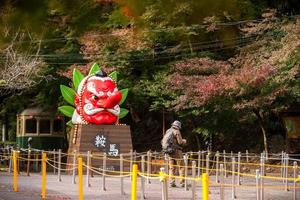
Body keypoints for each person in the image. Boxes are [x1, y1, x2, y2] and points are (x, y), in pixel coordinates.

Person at [161, 120, 186, 187]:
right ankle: (182, 182)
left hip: (169, 151)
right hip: (177, 152)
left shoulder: (168, 131)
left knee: (171, 168)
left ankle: (172, 182)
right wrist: (184, 141)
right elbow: (180, 142)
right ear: (178, 126)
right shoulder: (177, 131)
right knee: (181, 167)